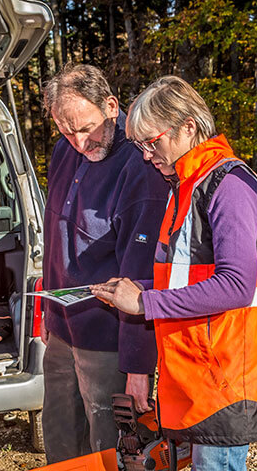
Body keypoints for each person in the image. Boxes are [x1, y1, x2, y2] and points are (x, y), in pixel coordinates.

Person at [91, 75, 257, 471]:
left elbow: (237, 285)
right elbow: (190, 277)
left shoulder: (228, 184)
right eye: (140, 147)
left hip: (226, 375)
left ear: (188, 126)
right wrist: (135, 289)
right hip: (201, 370)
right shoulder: (186, 185)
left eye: (152, 143)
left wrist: (145, 301)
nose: (148, 156)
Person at [40, 63, 169, 464]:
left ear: (112, 106)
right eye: (66, 130)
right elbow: (54, 236)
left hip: (109, 337)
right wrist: (44, 311)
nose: (79, 141)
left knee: (108, 446)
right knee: (60, 436)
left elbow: (141, 276)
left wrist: (137, 367)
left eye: (87, 128)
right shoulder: (65, 152)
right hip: (61, 328)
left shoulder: (142, 167)